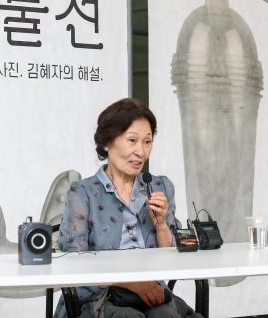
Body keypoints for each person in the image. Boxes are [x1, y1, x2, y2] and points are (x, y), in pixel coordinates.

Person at [55, 98, 202, 318]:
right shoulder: (82, 192)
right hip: (98, 297)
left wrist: (162, 225)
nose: (141, 152)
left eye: (147, 142)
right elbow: (74, 266)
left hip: (152, 293)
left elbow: (174, 258)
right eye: (132, 140)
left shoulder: (160, 186)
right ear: (107, 143)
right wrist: (132, 283)